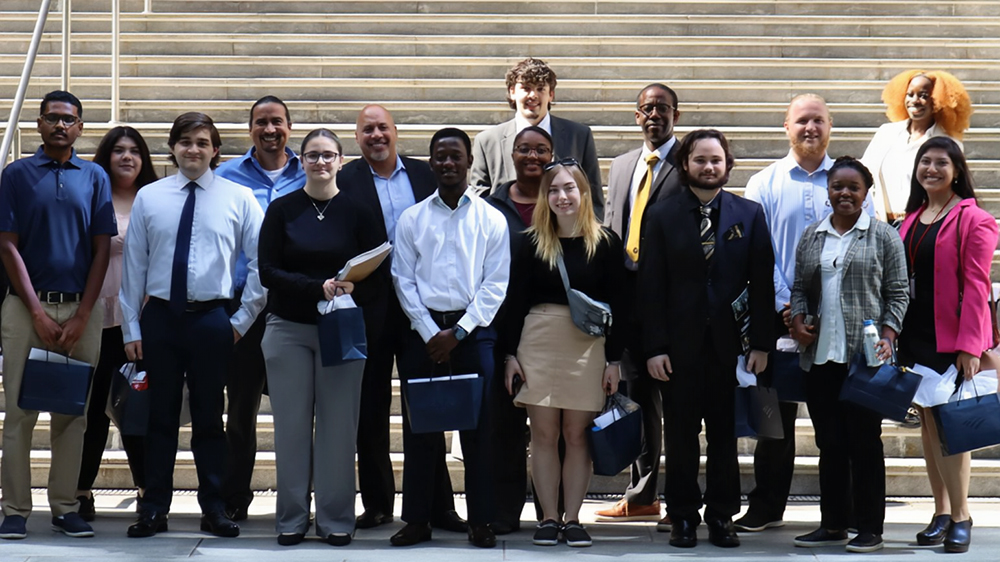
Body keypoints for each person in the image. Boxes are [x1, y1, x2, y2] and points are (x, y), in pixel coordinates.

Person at [120, 112, 266, 539]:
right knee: (159, 418)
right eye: (185, 142)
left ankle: (215, 507)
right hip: (161, 318)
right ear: (172, 147)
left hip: (212, 320)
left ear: (215, 150)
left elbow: (261, 263)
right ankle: (154, 508)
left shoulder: (239, 198)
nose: (193, 150)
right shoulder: (151, 196)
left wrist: (240, 321)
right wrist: (131, 328)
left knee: (209, 418)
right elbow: (134, 267)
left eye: (202, 142)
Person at [737, 93, 872, 533]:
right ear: (786, 126)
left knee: (839, 423)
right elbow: (761, 254)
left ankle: (844, 512)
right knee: (774, 420)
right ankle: (766, 504)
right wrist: (788, 307)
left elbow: (866, 245)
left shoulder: (851, 180)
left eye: (818, 120)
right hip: (779, 320)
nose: (810, 128)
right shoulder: (764, 182)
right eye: (801, 121)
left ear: (830, 125)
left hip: (840, 323)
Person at [639, 129, 774, 549]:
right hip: (677, 350)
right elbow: (650, 286)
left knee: (723, 436)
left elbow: (762, 284)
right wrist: (654, 347)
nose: (709, 167)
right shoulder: (661, 214)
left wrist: (762, 344)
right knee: (680, 436)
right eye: (700, 160)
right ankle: (681, 515)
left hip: (729, 348)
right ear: (686, 165)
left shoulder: (748, 214)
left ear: (727, 165)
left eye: (716, 160)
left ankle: (721, 516)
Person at [338, 105, 464, 533]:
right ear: (357, 138)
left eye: (383, 128)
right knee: (369, 409)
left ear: (396, 133)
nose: (376, 135)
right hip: (366, 310)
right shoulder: (345, 179)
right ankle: (376, 504)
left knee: (425, 408)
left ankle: (437, 505)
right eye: (367, 130)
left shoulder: (425, 174)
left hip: (421, 311)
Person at [258, 129, 385, 547]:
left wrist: (351, 288)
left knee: (338, 428)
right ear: (302, 160)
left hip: (342, 328)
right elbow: (267, 271)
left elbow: (379, 268)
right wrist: (317, 287)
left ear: (342, 160)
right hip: (288, 329)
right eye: (312, 156)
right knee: (291, 428)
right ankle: (291, 519)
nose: (320, 163)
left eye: (328, 155)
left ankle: (335, 519)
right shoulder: (282, 210)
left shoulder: (360, 210)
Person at [0, 90, 116, 540]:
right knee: (18, 412)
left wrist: (84, 314)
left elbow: (102, 247)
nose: (60, 125)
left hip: (80, 309)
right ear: (38, 125)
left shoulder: (94, 177)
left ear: (81, 128)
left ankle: (66, 505)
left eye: (69, 119)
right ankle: (14, 509)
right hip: (25, 308)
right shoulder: (17, 174)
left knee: (74, 414)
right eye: (52, 118)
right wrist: (37, 312)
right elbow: (7, 243)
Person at [390, 128, 510, 549]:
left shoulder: (490, 218)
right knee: (421, 431)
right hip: (422, 335)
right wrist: (430, 332)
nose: (447, 163)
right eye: (439, 156)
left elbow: (496, 285)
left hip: (473, 335)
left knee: (480, 432)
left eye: (455, 156)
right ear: (430, 161)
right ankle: (418, 520)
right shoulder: (413, 218)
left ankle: (482, 521)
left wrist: (459, 332)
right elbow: (402, 280)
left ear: (468, 161)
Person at [788, 157, 909, 553]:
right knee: (830, 444)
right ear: (828, 190)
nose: (844, 193)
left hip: (864, 359)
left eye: (853, 187)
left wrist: (889, 333)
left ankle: (869, 527)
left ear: (865, 193)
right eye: (837, 186)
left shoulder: (882, 236)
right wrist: (799, 319)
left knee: (865, 443)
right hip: (821, 358)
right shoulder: (812, 236)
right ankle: (833, 523)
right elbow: (800, 288)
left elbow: (898, 292)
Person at [503, 159, 625, 548]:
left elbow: (622, 304)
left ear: (584, 193)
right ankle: (548, 517)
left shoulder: (605, 243)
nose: (562, 196)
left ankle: (573, 518)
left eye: (569, 188)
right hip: (537, 340)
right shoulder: (529, 242)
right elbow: (514, 301)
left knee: (576, 435)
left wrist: (615, 360)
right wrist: (509, 355)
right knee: (543, 432)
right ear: (545, 197)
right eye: (553, 190)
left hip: (587, 346)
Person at [897, 137, 998, 554]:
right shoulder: (911, 217)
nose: (932, 169)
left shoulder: (975, 219)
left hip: (951, 336)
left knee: (951, 428)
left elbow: (977, 286)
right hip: (915, 333)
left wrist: (971, 346)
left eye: (942, 162)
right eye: (926, 161)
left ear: (957, 170)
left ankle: (961, 515)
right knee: (929, 422)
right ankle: (940, 511)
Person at [596, 83, 683, 529]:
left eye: (662, 109)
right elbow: (612, 227)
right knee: (637, 398)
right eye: (647, 109)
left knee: (677, 401)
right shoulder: (624, 164)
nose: (654, 115)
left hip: (670, 305)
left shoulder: (688, 163)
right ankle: (642, 494)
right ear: (636, 116)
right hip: (627, 301)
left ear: (676, 115)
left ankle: (683, 500)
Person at [215, 95, 306, 521]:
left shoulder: (311, 171)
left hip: (297, 308)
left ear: (290, 127)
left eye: (277, 122)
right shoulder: (225, 176)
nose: (269, 130)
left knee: (302, 412)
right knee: (241, 412)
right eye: (260, 123)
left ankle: (302, 500)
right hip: (242, 312)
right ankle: (235, 498)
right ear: (250, 129)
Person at [76, 127, 157, 520]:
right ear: (106, 156)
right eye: (118, 150)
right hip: (94, 318)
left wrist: (139, 321)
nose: (127, 157)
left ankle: (146, 489)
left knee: (136, 411)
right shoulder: (92, 195)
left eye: (135, 151)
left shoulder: (154, 198)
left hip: (139, 322)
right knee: (90, 411)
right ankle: (81, 490)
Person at [486, 125, 554, 534]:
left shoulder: (566, 198)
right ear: (511, 155)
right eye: (524, 149)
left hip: (555, 329)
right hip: (502, 327)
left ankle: (555, 511)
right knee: (506, 426)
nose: (533, 156)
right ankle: (505, 510)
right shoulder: (491, 206)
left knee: (557, 426)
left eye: (542, 149)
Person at [471, 57, 604, 219]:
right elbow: (479, 201)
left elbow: (593, 196)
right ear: (512, 92)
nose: (533, 95)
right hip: (506, 238)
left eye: (540, 89)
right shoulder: (487, 141)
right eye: (526, 88)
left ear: (551, 95)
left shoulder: (579, 136)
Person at [861, 70, 972, 222]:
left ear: (938, 100)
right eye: (910, 94)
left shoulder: (948, 142)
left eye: (923, 96)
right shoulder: (885, 133)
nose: (915, 100)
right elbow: (863, 174)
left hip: (923, 226)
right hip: (881, 224)